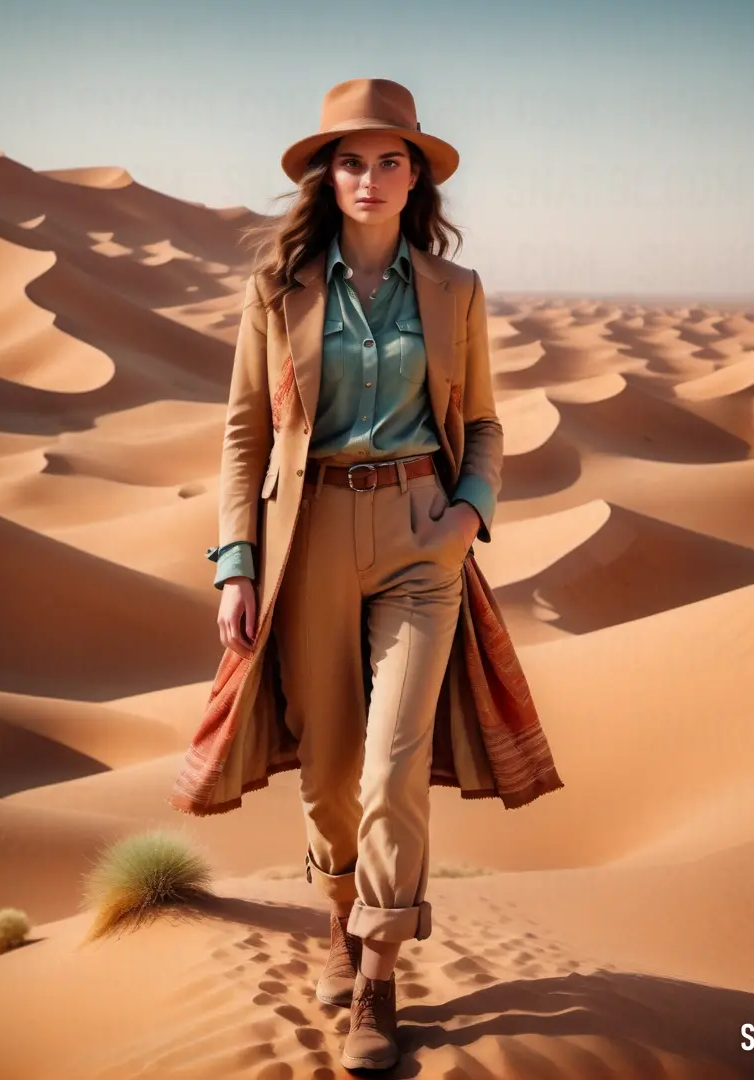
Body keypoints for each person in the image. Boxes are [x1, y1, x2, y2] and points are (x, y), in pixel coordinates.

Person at [168, 78, 564, 1073]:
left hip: (422, 536)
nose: (372, 177)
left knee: (394, 767)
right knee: (334, 770)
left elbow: (483, 424)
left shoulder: (455, 290)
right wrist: (235, 564)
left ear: (416, 176)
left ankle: (379, 977)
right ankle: (336, 922)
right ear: (326, 176)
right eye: (353, 159)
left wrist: (468, 510)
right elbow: (244, 434)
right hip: (306, 540)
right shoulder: (279, 291)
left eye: (393, 160)